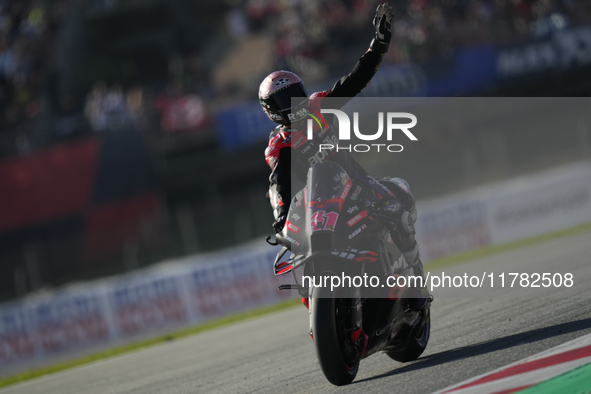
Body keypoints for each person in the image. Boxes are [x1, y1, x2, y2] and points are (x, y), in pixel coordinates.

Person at [260, 4, 429, 319]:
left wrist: (378, 45)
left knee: (400, 196)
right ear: (270, 110)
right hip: (311, 211)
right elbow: (280, 182)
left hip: (355, 187)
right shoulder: (278, 144)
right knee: (292, 248)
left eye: (294, 93)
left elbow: (355, 80)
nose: (292, 103)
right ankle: (320, 306)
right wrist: (283, 218)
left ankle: (415, 274)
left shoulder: (319, 106)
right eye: (282, 101)